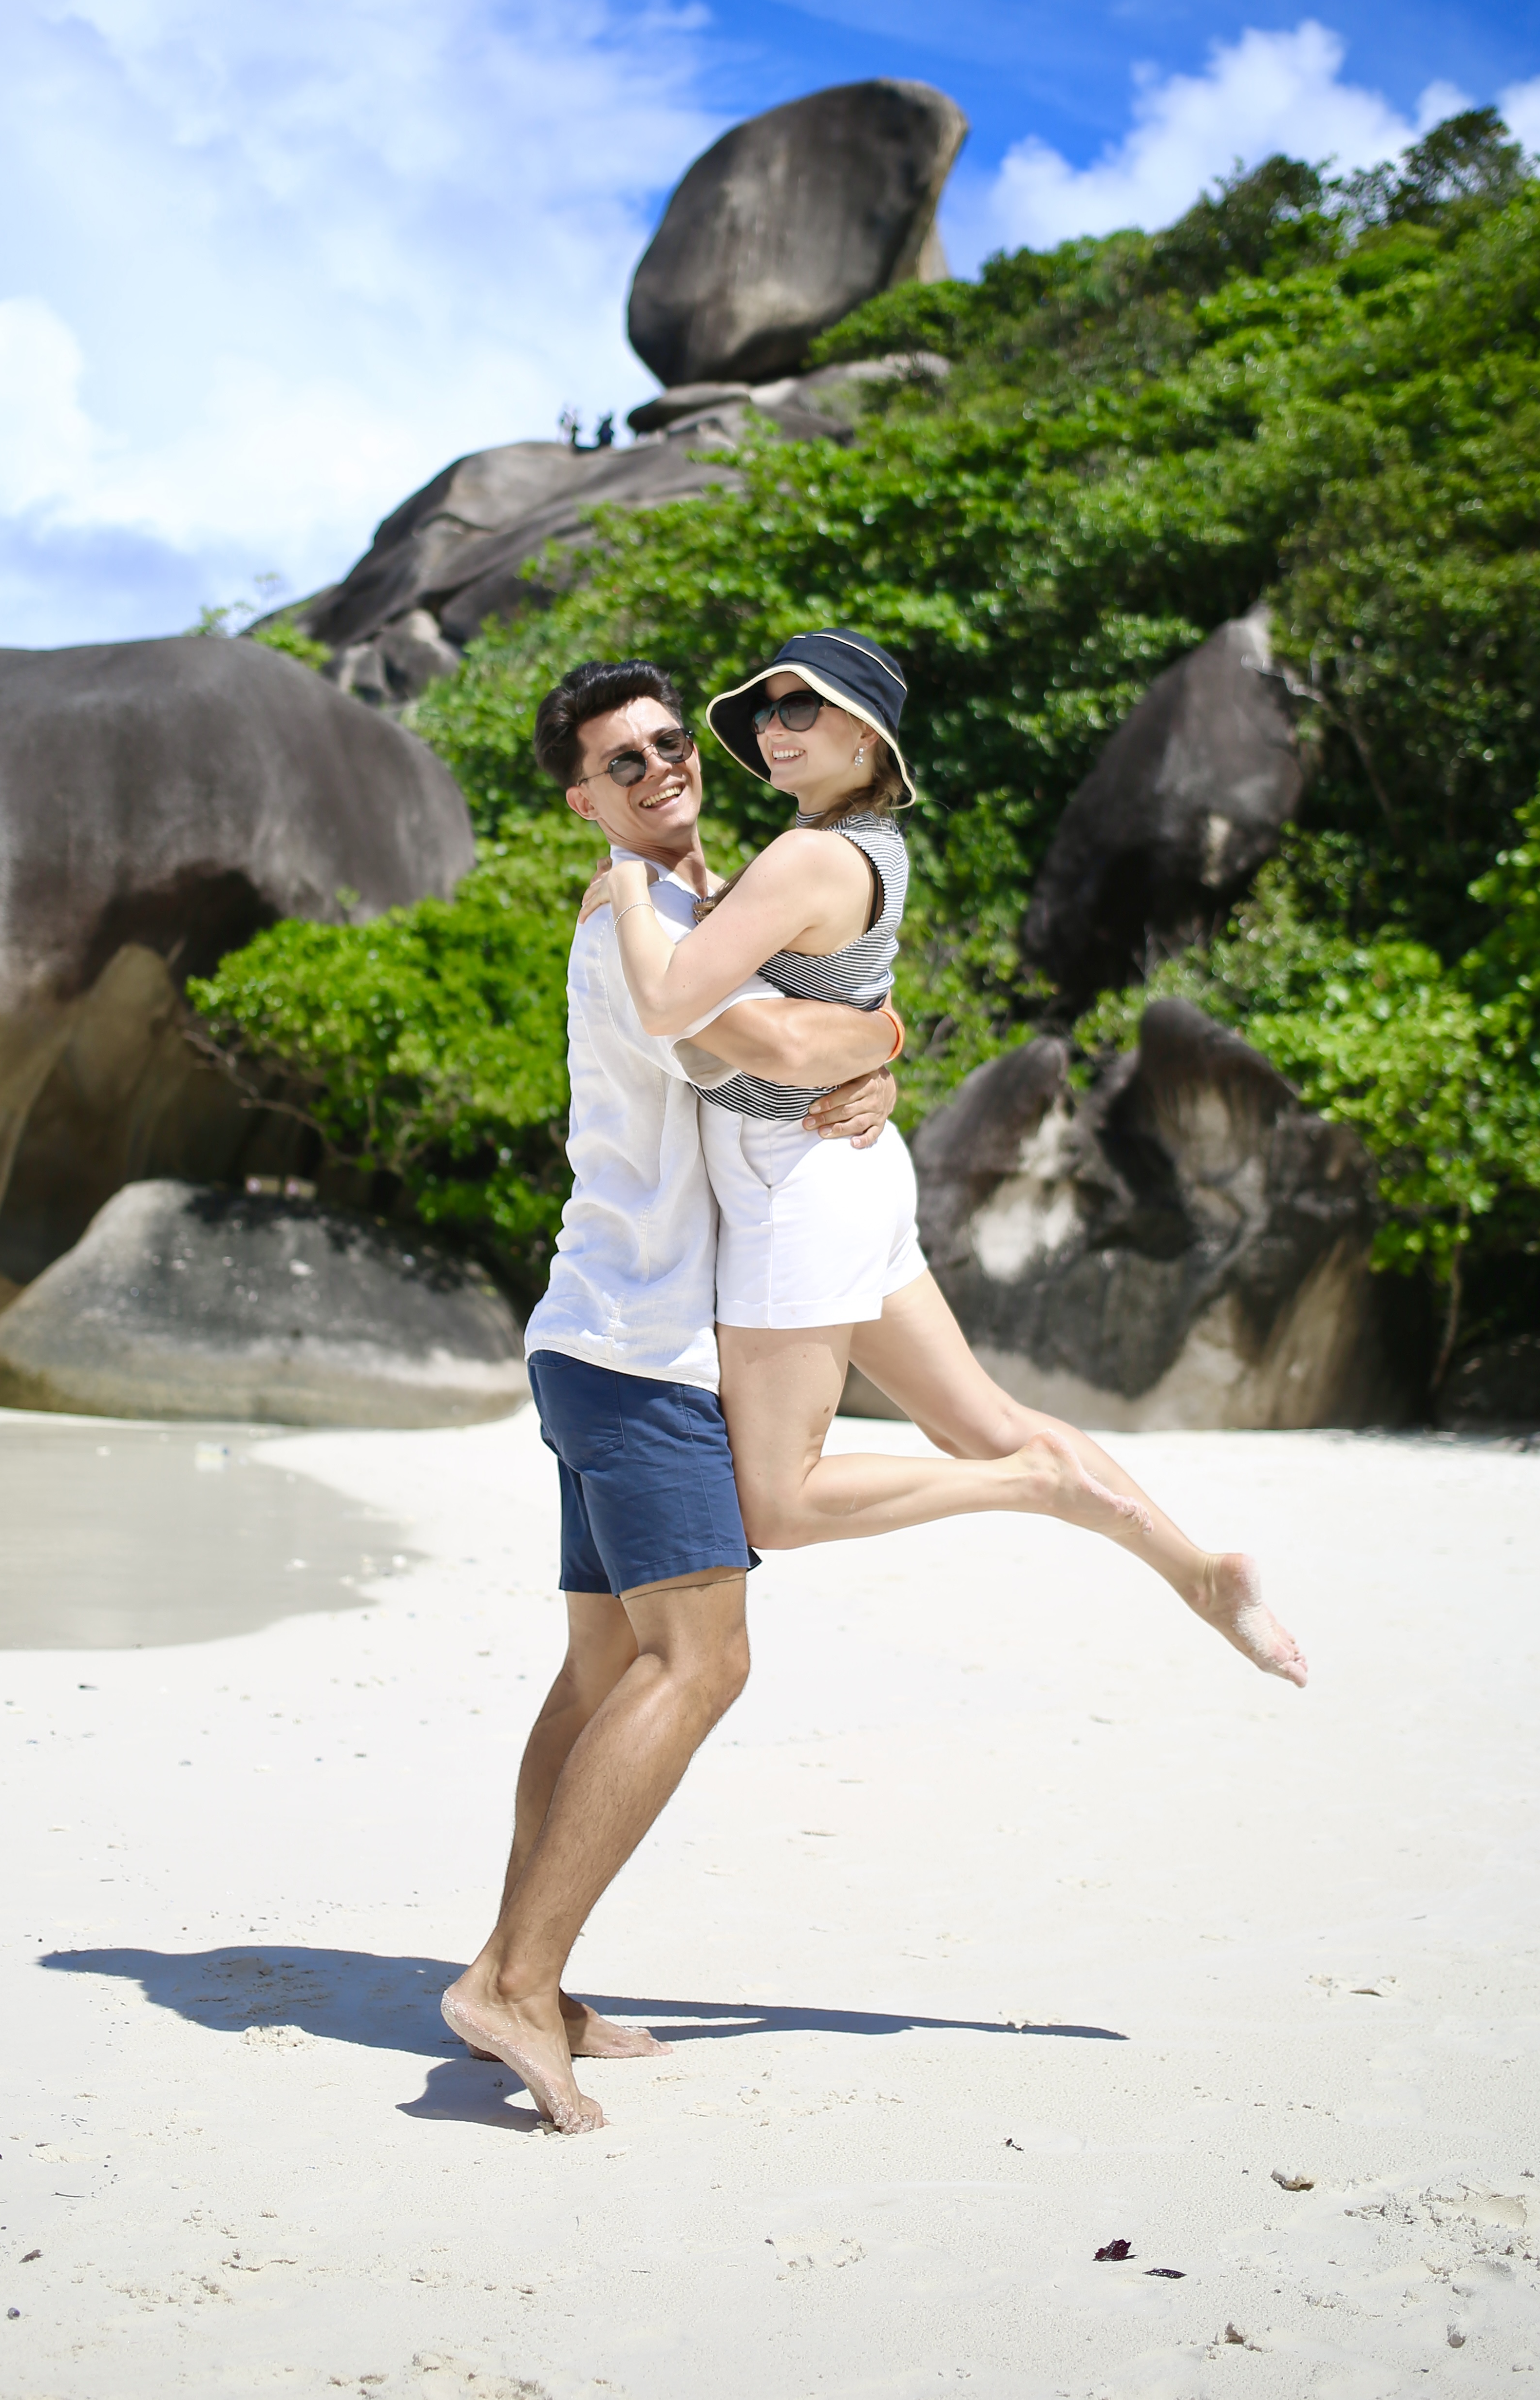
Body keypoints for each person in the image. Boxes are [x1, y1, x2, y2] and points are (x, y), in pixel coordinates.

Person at [594, 625, 1308, 1686]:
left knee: (777, 1503)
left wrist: (620, 886)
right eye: (766, 710)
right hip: (848, 1169)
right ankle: (1199, 1575)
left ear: (870, 742)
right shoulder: (872, 849)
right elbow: (834, 999)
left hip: (794, 1180)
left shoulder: (805, 856)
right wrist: (878, 1049)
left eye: (804, 709)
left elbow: (668, 1003)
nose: (775, 730)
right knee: (988, 1418)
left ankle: (1027, 1489)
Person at [441, 660, 904, 2135]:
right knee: (703, 1666)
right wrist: (889, 1042)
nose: (658, 769)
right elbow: (772, 1048)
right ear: (584, 802)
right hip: (642, 1359)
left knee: (599, 1680)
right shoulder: (634, 928)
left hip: (598, 1340)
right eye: (619, 763)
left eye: (663, 744)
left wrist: (874, 1068)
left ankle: (515, 1968)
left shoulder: (696, 912)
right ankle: (519, 1982)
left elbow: (784, 1061)